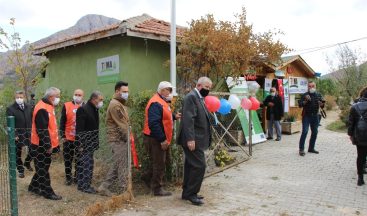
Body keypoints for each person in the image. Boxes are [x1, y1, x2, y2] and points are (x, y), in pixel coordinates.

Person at [141, 81, 181, 196]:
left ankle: (147, 178)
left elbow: (163, 117)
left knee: (160, 162)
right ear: (162, 90)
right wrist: (162, 139)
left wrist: (173, 116)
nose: (170, 92)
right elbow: (154, 123)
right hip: (155, 138)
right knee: (159, 164)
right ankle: (157, 189)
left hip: (157, 137)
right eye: (168, 90)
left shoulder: (161, 101)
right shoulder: (156, 103)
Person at [177, 77, 212, 206]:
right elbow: (188, 119)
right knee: (199, 166)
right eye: (206, 87)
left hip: (197, 139)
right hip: (192, 139)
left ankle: (187, 192)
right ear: (198, 85)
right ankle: (192, 194)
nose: (208, 90)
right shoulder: (191, 97)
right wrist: (190, 139)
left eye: (209, 88)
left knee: (191, 165)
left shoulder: (199, 98)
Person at [28, 87, 62, 200]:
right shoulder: (42, 108)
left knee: (43, 167)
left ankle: (33, 186)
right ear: (51, 97)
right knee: (42, 169)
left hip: (45, 144)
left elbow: (50, 127)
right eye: (57, 96)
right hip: (40, 145)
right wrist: (48, 146)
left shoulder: (48, 105)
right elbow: (42, 130)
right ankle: (48, 192)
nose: (58, 98)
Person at [97, 81, 129, 196]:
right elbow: (122, 124)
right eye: (124, 92)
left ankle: (104, 187)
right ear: (117, 91)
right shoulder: (115, 104)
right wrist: (129, 138)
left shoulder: (120, 103)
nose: (126, 94)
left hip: (119, 139)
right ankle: (124, 190)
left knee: (117, 163)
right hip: (117, 139)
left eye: (127, 92)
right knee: (122, 165)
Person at [76, 91, 104, 194]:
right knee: (86, 164)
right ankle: (85, 186)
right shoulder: (83, 109)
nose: (101, 102)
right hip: (85, 143)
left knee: (88, 163)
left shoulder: (94, 109)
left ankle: (82, 184)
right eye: (100, 100)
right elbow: (79, 129)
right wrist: (80, 144)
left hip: (92, 142)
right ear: (94, 99)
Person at [6, 90, 34, 178]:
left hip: (29, 133)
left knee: (33, 149)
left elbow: (32, 119)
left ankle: (27, 162)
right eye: (17, 97)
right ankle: (20, 170)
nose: (19, 99)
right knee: (17, 153)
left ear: (24, 98)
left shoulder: (29, 107)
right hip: (18, 135)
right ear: (15, 97)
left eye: (21, 97)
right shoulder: (10, 108)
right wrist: (14, 134)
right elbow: (9, 123)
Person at [60, 89, 84, 185]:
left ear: (83, 96)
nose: (77, 96)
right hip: (68, 138)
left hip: (80, 139)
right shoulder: (66, 105)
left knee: (79, 159)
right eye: (76, 94)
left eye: (79, 95)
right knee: (68, 159)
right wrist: (62, 135)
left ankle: (77, 177)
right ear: (73, 95)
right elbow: (62, 121)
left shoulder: (85, 106)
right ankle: (68, 177)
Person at [298, 81, 325, 156]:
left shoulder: (319, 95)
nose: (311, 87)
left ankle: (311, 148)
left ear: (315, 87)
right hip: (306, 116)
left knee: (315, 132)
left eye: (312, 86)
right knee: (305, 132)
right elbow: (300, 105)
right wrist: (305, 101)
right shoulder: (305, 95)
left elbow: (322, 106)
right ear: (307, 87)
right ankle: (301, 149)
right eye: (309, 86)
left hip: (315, 116)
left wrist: (322, 104)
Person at [348, 88, 367, 186]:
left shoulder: (354, 106)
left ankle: (360, 179)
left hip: (360, 134)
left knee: (361, 157)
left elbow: (351, 123)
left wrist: (350, 134)